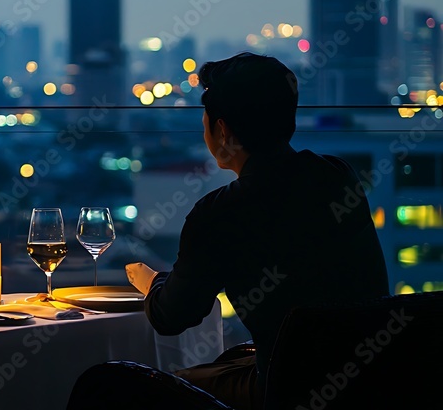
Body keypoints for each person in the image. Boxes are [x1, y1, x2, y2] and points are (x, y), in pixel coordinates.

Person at [125, 52, 388, 410]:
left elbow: (173, 315)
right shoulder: (337, 176)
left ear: (221, 130)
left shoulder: (220, 212)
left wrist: (152, 282)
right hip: (374, 379)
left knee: (156, 390)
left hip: (283, 387)